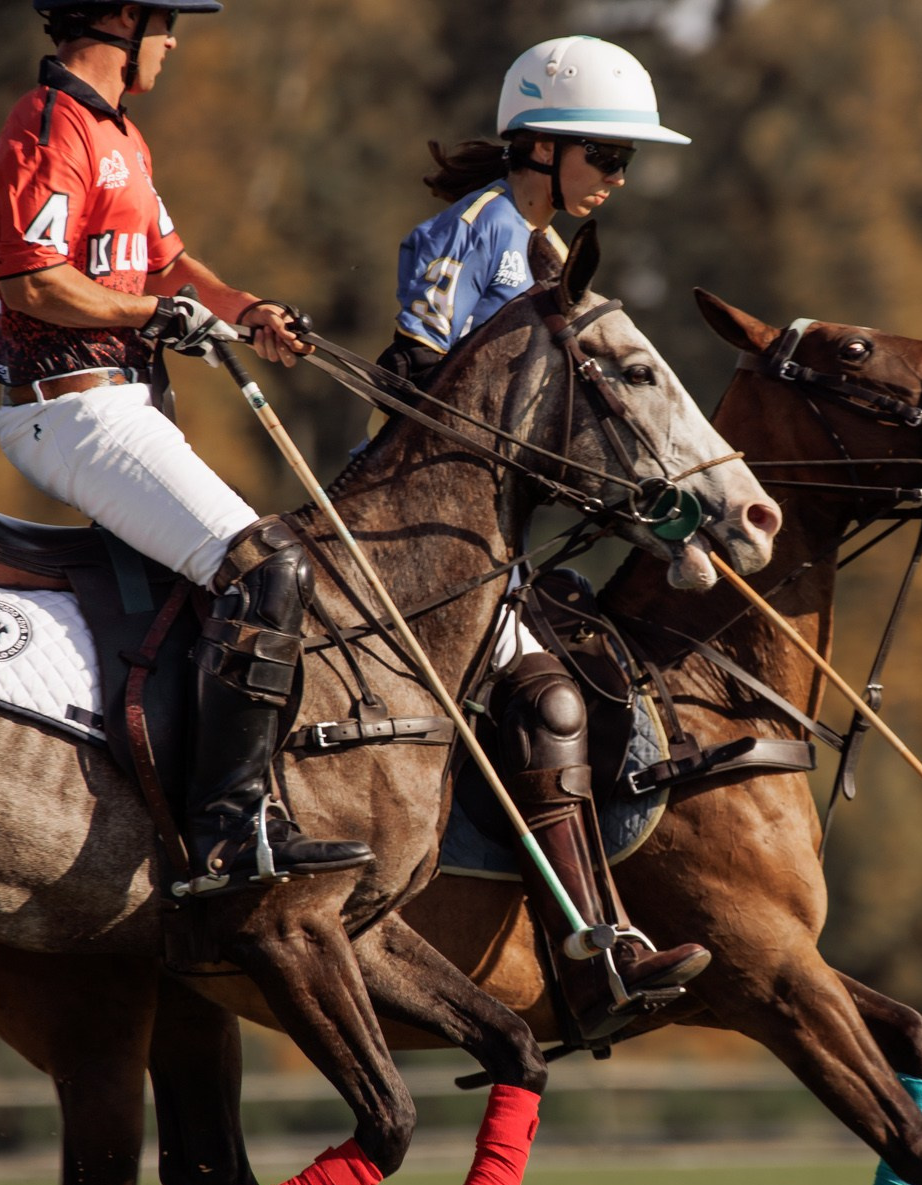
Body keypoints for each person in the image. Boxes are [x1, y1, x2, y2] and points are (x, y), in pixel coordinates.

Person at [0, 2, 370, 892]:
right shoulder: (49, 126)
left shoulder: (121, 134)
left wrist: (246, 312)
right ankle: (230, 832)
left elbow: (168, 267)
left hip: (127, 406)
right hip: (69, 410)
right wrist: (152, 316)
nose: (174, 40)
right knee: (266, 569)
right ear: (122, 19)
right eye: (166, 21)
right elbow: (32, 282)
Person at [390, 37, 708, 1034]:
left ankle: (594, 944)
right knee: (546, 695)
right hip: (423, 533)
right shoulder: (467, 232)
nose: (619, 178)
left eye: (627, 162)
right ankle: (591, 942)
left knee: (567, 690)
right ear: (542, 146)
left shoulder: (556, 253)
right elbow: (418, 385)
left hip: (502, 540)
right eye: (607, 156)